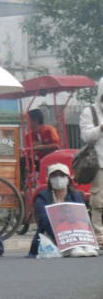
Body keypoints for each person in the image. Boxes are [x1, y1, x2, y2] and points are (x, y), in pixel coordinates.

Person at [27, 163, 97, 257]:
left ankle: (83, 245)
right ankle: (70, 248)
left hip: (75, 232)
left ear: (68, 180)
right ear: (49, 180)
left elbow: (83, 218)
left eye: (62, 175)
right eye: (54, 176)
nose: (58, 178)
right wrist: (62, 238)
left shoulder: (76, 196)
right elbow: (44, 220)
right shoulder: (42, 197)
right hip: (51, 233)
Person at [80, 76, 103, 248]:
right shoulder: (91, 112)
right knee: (98, 201)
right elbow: (85, 136)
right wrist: (100, 128)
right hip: (99, 162)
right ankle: (100, 237)